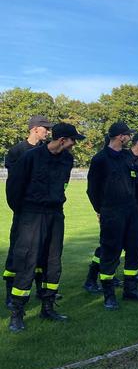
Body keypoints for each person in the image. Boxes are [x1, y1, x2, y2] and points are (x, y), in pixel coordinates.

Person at [6, 123, 84, 332]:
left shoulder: (67, 160)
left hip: (55, 214)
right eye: (73, 140)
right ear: (62, 140)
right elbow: (14, 186)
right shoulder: (30, 157)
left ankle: (48, 307)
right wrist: (23, 212)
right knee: (27, 261)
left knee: (53, 262)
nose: (74, 144)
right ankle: (17, 313)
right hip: (31, 214)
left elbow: (63, 184)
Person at [86, 121, 138, 310]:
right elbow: (92, 189)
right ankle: (109, 295)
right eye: (128, 135)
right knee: (110, 252)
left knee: (134, 249)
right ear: (120, 136)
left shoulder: (127, 157)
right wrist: (101, 209)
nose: (130, 138)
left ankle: (131, 289)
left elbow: (136, 177)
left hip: (132, 210)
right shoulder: (100, 159)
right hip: (111, 212)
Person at [3, 115, 53, 308]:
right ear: (34, 129)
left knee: (42, 250)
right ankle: (10, 293)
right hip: (24, 210)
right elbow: (15, 184)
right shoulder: (17, 151)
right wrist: (19, 208)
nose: (47, 132)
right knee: (18, 250)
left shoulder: (45, 150)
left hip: (42, 210)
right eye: (45, 128)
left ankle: (41, 290)